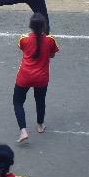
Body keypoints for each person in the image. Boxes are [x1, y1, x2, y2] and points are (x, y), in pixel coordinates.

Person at [13, 14, 58, 144]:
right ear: (44, 26)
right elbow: (53, 55)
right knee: (40, 100)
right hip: (41, 78)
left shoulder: (24, 39)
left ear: (30, 26)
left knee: (18, 102)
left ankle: (23, 130)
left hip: (24, 76)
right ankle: (40, 125)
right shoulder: (50, 40)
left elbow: (22, 48)